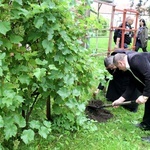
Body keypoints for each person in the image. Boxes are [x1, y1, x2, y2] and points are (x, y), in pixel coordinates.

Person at [112, 52, 150, 142]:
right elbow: (132, 85)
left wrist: (145, 96)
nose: (119, 70)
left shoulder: (136, 59)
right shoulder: (129, 68)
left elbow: (149, 76)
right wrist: (120, 100)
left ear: (121, 63)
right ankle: (146, 124)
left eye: (118, 67)